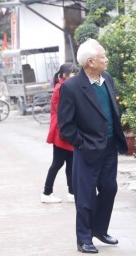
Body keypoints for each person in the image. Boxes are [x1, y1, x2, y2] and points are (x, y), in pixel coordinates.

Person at [58, 39, 128, 254]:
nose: (106, 60)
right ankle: (84, 239)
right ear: (90, 62)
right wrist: (81, 143)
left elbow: (110, 110)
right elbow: (65, 126)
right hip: (87, 149)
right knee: (85, 195)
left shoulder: (107, 78)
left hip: (109, 146)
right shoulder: (71, 87)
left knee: (110, 188)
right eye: (102, 57)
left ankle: (99, 229)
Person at [41, 63, 79, 204]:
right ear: (65, 75)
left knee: (70, 162)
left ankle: (72, 192)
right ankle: (46, 192)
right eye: (74, 74)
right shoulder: (62, 88)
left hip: (64, 130)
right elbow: (66, 110)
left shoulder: (63, 86)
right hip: (61, 131)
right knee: (57, 163)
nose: (76, 76)